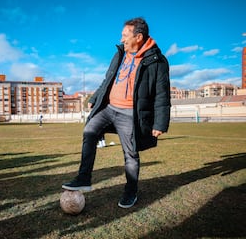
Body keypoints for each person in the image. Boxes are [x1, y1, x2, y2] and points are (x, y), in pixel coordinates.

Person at [62, 17, 171, 209]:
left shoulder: (157, 61)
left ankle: (131, 192)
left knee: (131, 154)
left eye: (125, 35)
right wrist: (95, 98)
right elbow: (107, 79)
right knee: (89, 132)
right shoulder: (120, 53)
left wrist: (160, 123)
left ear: (138, 37)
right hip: (108, 107)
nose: (121, 39)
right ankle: (83, 178)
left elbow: (162, 93)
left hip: (130, 113)